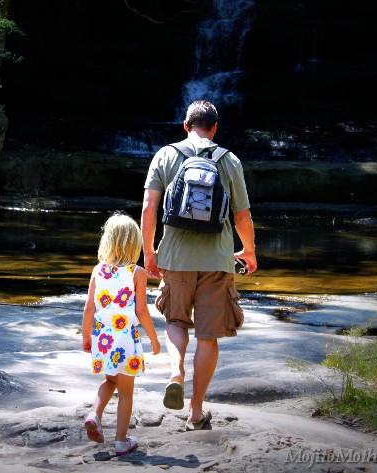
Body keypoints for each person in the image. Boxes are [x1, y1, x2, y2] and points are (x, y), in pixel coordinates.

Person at [141, 99, 257, 431]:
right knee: (208, 336)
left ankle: (175, 372)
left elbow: (150, 205)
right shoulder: (229, 159)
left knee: (176, 320)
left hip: (175, 257)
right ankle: (195, 410)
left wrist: (149, 251)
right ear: (215, 128)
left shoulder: (166, 155)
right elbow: (242, 215)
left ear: (185, 125)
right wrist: (248, 251)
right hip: (218, 261)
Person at [81, 212, 161, 456]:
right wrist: (154, 340)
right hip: (126, 338)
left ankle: (95, 414)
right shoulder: (137, 273)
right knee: (126, 392)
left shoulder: (98, 270)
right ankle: (121, 441)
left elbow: (89, 308)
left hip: (103, 338)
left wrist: (86, 337)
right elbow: (141, 311)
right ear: (134, 243)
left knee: (110, 380)